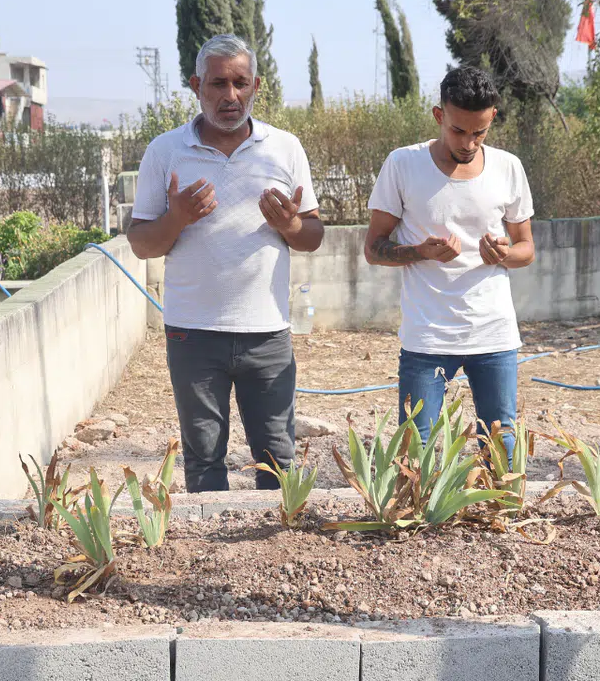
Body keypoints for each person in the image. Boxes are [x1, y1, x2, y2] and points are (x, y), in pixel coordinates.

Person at [127, 34, 324, 493]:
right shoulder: (166, 151)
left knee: (278, 460)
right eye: (218, 84)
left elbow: (313, 236)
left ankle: (278, 538)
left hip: (267, 332)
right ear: (197, 86)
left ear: (256, 85)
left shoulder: (285, 148)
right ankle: (207, 542)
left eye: (241, 83)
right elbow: (141, 244)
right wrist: (177, 218)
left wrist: (291, 224)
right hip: (192, 333)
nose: (230, 96)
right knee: (203, 460)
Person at [363, 66, 536, 454]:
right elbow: (373, 249)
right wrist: (420, 252)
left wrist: (505, 254)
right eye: (459, 130)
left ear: (493, 117)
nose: (469, 143)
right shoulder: (403, 164)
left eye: (480, 132)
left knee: (502, 444)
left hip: (493, 333)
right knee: (416, 448)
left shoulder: (508, 167)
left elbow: (526, 249)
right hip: (427, 336)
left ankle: (499, 498)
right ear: (439, 115)